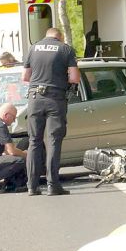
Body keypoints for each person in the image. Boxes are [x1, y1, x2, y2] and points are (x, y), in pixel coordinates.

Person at [22, 27, 79, 196]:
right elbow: (75, 78)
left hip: (34, 99)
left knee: (34, 142)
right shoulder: (65, 49)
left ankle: (32, 186)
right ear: (59, 37)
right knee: (53, 140)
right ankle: (53, 185)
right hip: (55, 99)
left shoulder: (33, 48)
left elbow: (25, 77)